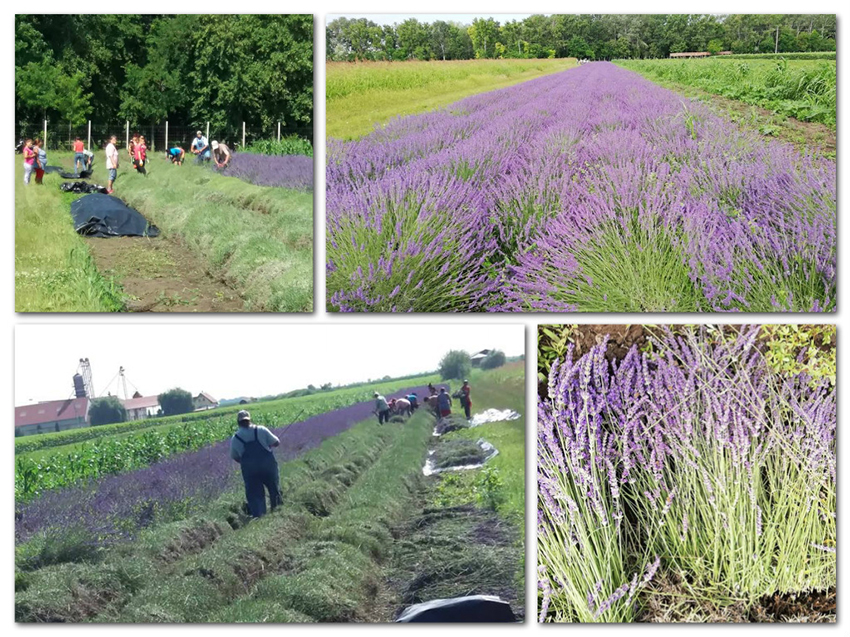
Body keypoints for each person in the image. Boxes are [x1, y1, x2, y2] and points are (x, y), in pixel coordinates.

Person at [230, 410, 282, 518]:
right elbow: (276, 442)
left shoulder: (236, 438)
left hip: (250, 471)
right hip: (268, 466)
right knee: (274, 489)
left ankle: (260, 517)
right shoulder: (261, 430)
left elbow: (235, 457)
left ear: (238, 422)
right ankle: (277, 512)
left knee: (255, 495)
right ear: (249, 420)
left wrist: (247, 462)